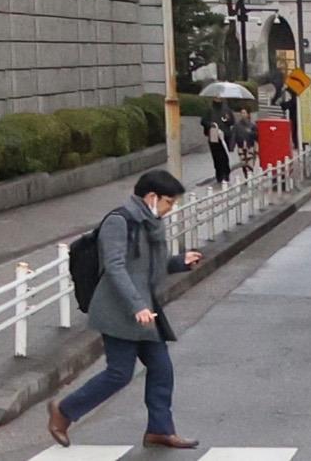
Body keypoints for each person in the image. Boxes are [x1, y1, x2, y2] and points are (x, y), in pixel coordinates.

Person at [48, 168, 204, 448]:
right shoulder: (119, 222)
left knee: (161, 368)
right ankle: (63, 411)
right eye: (169, 201)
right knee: (119, 374)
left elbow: (147, 266)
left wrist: (179, 262)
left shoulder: (150, 223)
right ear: (152, 197)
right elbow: (115, 267)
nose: (171, 208)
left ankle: (159, 429)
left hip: (144, 311)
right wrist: (136, 306)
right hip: (118, 311)